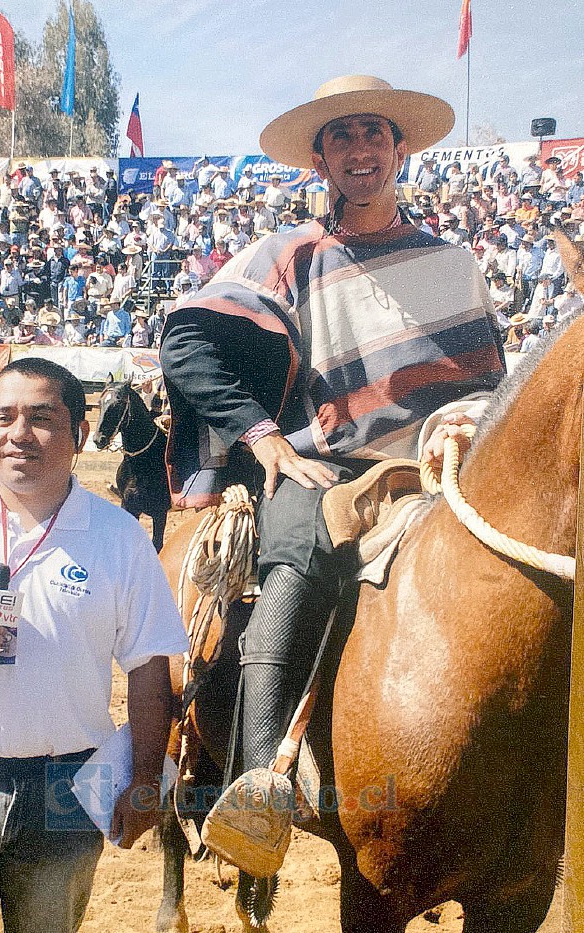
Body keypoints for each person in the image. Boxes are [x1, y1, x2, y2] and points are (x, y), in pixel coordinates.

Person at [160, 74, 505, 868]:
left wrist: (474, 413)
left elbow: (492, 379)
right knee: (298, 553)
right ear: (320, 159)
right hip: (334, 469)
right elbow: (185, 342)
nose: (360, 149)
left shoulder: (454, 263)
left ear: (399, 149)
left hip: (447, 464)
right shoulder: (286, 254)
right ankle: (252, 787)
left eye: (373, 134)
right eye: (342, 136)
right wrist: (265, 440)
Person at [0, 357, 188, 933]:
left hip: (65, 795)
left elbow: (150, 668)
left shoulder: (118, 537)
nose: (19, 434)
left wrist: (147, 778)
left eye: (42, 418)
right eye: (4, 417)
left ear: (78, 434)